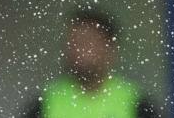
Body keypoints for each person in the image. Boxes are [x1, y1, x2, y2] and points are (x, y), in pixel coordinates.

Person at [23, 8, 160, 118]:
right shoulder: (45, 103)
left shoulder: (136, 103)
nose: (78, 51)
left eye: (86, 42)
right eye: (73, 43)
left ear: (110, 48)